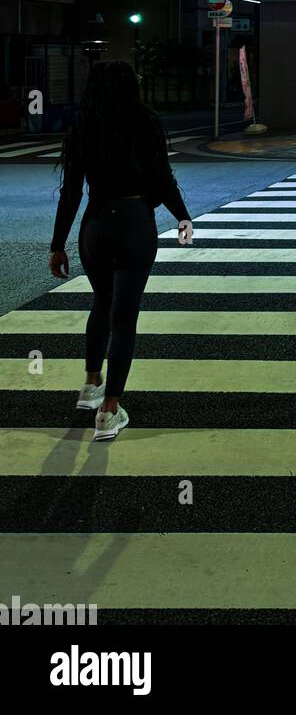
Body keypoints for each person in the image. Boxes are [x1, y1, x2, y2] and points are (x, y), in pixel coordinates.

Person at [49, 61, 193, 442]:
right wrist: (182, 215)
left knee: (102, 302)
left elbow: (71, 192)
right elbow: (162, 177)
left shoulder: (84, 127)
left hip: (95, 225)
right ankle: (109, 410)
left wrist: (57, 245)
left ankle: (90, 383)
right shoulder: (145, 123)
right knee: (124, 318)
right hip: (134, 223)